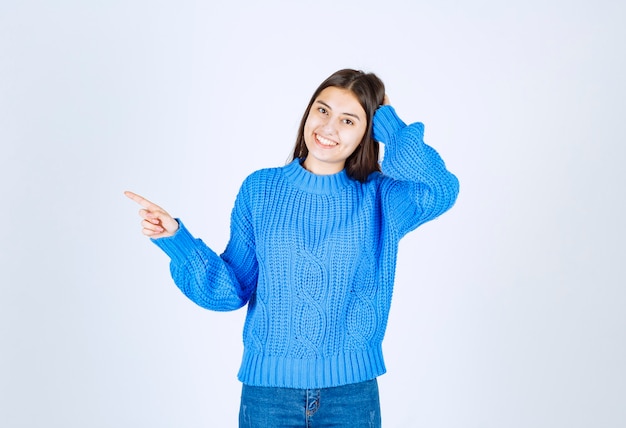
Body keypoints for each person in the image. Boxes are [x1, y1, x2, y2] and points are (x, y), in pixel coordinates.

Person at [125, 68, 459, 427]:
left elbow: (440, 190)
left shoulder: (381, 197)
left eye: (349, 120)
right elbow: (231, 289)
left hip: (351, 394)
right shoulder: (261, 189)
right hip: (269, 394)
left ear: (368, 131)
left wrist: (391, 126)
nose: (328, 127)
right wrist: (177, 241)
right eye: (322, 110)